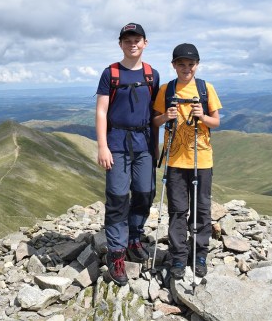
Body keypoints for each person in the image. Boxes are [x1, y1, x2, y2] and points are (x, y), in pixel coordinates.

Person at [95, 23, 160, 286]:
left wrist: (156, 146)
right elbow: (101, 111)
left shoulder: (151, 74)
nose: (132, 44)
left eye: (137, 40)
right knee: (118, 197)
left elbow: (154, 114)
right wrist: (102, 146)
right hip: (117, 142)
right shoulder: (110, 73)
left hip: (144, 142)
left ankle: (134, 237)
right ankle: (116, 253)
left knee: (146, 193)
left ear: (145, 42)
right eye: (127, 40)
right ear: (120, 44)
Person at [153, 43, 222, 279]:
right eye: (181, 64)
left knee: (201, 209)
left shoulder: (205, 88)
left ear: (197, 65)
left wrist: (201, 116)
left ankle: (200, 253)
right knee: (177, 210)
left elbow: (216, 122)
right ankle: (179, 256)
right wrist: (166, 116)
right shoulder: (166, 89)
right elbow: (155, 121)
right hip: (175, 161)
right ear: (173, 65)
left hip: (201, 160)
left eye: (190, 64)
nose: (186, 68)